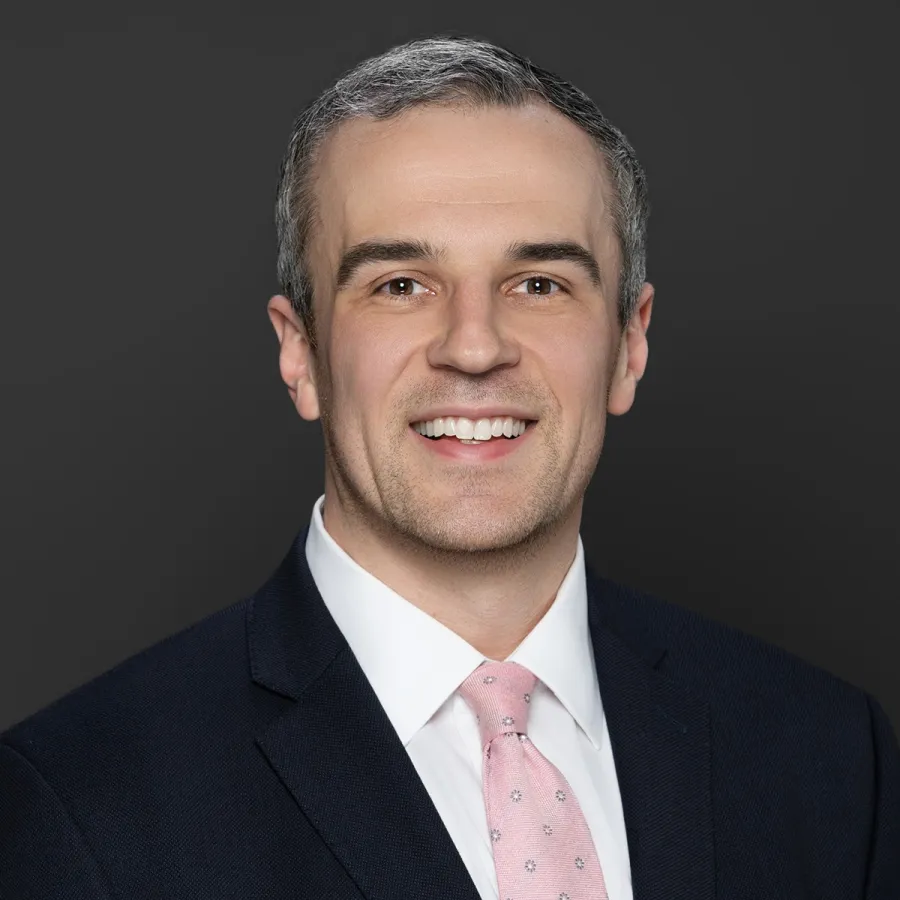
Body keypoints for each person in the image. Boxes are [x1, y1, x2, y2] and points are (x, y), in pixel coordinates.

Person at [1, 34, 897, 900]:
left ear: (629, 345)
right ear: (300, 353)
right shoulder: (78, 802)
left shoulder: (828, 756)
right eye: (400, 285)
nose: (474, 347)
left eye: (540, 283)